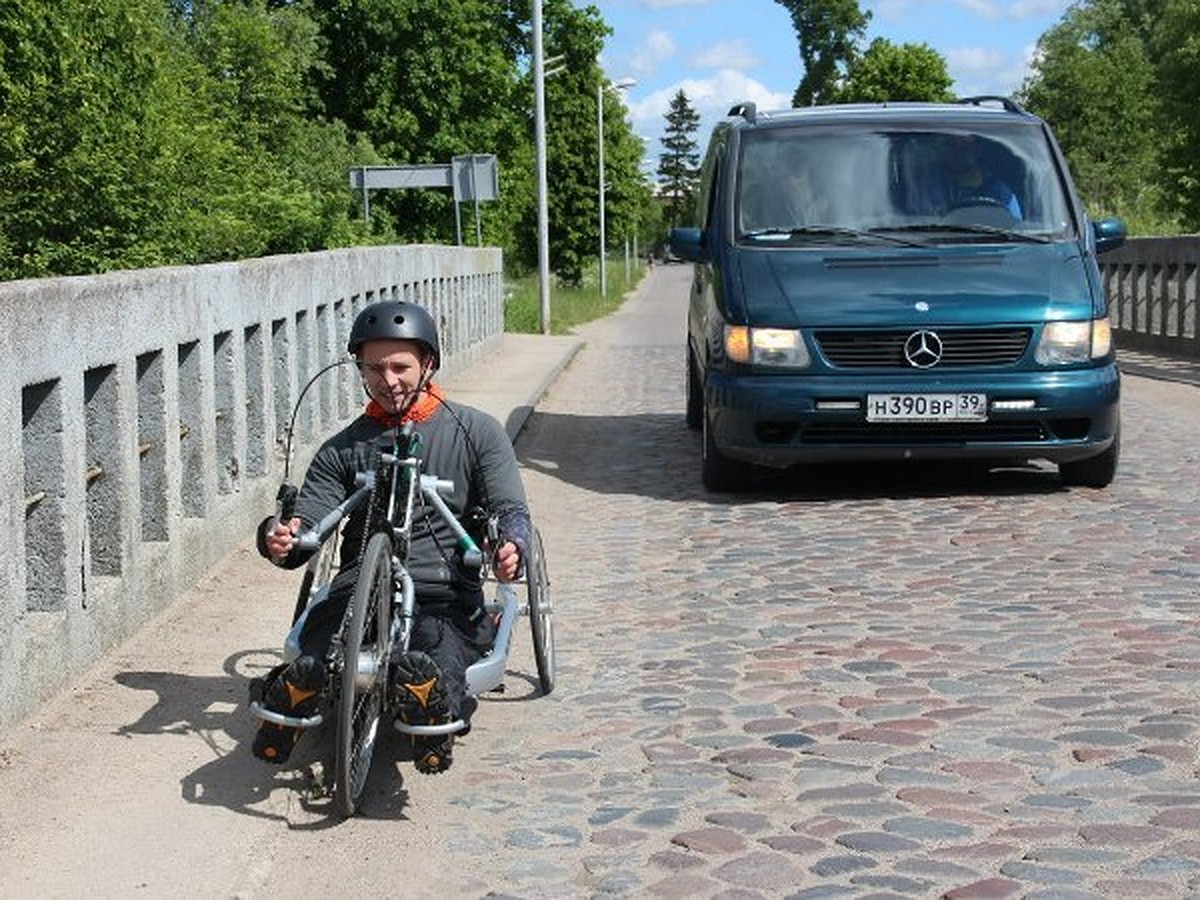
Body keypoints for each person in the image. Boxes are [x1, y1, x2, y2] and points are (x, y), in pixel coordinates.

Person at [250, 301, 531, 774]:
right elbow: (309, 518)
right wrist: (280, 537)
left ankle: (430, 701)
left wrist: (511, 546)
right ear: (359, 369)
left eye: (400, 366)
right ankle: (299, 688)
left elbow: (510, 508)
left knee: (438, 642)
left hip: (443, 590)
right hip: (358, 586)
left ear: (429, 364)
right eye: (373, 368)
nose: (389, 380)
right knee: (326, 629)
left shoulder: (477, 433)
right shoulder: (342, 449)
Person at [938, 134, 1022, 220]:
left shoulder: (1001, 192)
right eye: (952, 145)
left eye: (965, 148)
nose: (957, 153)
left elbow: (1015, 226)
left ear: (978, 151)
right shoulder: (929, 184)